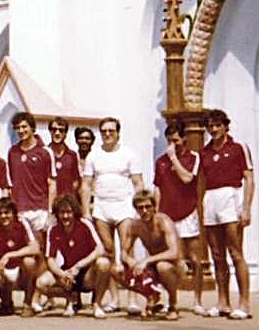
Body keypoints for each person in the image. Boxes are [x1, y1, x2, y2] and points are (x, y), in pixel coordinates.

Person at [79, 117, 142, 313]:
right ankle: (114, 299)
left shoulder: (129, 154)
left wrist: (138, 210)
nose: (107, 134)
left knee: (127, 252)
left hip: (124, 207)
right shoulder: (94, 156)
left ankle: (132, 298)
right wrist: (86, 211)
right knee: (108, 253)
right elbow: (86, 185)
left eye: (111, 131)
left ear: (118, 133)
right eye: (104, 131)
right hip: (101, 209)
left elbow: (138, 183)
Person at [201, 109, 254, 320]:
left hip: (231, 198)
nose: (214, 129)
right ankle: (223, 302)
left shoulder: (238, 148)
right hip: (211, 199)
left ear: (225, 126)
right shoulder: (204, 153)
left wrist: (246, 208)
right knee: (217, 255)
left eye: (217, 125)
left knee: (236, 252)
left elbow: (249, 178)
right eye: (210, 126)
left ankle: (244, 304)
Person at [153, 123, 204, 314]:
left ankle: (197, 301)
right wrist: (156, 214)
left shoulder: (194, 157)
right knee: (172, 260)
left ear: (184, 139)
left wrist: (174, 158)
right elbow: (157, 187)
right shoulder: (160, 161)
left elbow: (187, 178)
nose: (172, 144)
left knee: (195, 259)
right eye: (169, 141)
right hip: (167, 217)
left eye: (175, 140)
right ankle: (171, 300)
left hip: (188, 214)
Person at [36, 193, 110, 319]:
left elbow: (100, 249)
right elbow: (50, 260)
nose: (65, 216)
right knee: (41, 283)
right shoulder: (53, 229)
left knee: (104, 263)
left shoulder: (85, 224)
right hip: (68, 272)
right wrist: (62, 274)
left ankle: (97, 304)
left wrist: (79, 266)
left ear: (74, 212)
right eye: (62, 212)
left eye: (68, 212)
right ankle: (71, 299)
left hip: (87, 272)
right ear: (57, 213)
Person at [118, 189, 182, 320]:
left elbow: (174, 252)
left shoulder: (163, 221)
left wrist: (146, 261)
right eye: (140, 208)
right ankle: (152, 296)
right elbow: (123, 253)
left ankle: (173, 304)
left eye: (148, 206)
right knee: (117, 270)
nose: (145, 210)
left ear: (154, 207)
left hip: (174, 266)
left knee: (162, 266)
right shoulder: (136, 225)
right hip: (152, 265)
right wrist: (131, 262)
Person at [0, 198, 40, 317]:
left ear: (14, 213)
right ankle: (6, 304)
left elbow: (35, 248)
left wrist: (10, 254)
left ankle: (27, 304)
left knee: (30, 262)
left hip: (20, 270)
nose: (3, 216)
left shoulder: (23, 223)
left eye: (7, 212)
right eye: (0, 213)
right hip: (2, 269)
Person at [7, 111, 56, 245]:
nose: (21, 131)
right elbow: (10, 183)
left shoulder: (45, 151)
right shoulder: (12, 152)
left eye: (24, 127)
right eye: (17, 128)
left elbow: (52, 183)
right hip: (20, 210)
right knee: (25, 248)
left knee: (41, 247)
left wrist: (50, 211)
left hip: (40, 209)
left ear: (32, 128)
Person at [47, 116, 81, 198]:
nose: (57, 133)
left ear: (65, 134)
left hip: (66, 201)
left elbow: (76, 182)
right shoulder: (43, 154)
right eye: (54, 130)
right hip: (47, 201)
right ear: (50, 131)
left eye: (61, 130)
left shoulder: (72, 155)